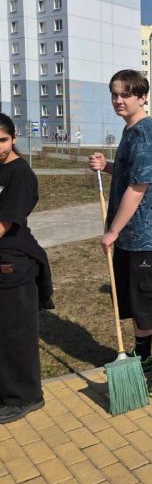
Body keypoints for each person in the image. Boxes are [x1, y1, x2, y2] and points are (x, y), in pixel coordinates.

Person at [88, 70, 152, 396]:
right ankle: (143, 360)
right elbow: (132, 172)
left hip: (151, 237)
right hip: (133, 237)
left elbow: (139, 186)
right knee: (137, 303)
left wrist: (112, 230)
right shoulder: (130, 130)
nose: (118, 100)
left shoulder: (144, 134)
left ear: (142, 97)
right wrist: (107, 166)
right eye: (114, 94)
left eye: (126, 94)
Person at [0, 114, 53, 424]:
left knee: (15, 334)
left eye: (3, 140)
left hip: (14, 263)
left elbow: (4, 225)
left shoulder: (20, 174)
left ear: (14, 138)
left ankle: (26, 396)